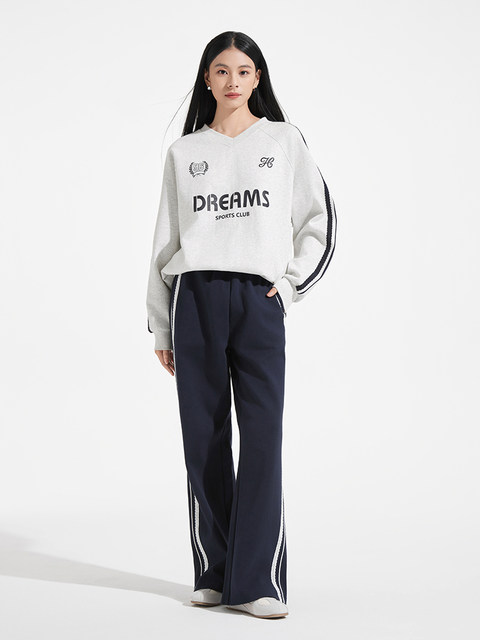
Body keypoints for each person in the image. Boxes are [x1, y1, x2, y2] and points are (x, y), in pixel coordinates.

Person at [146, 30, 337, 619]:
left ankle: (257, 581)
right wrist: (161, 325)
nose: (233, 80)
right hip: (195, 299)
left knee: (261, 437)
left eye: (244, 71)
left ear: (258, 79)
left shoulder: (283, 141)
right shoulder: (185, 153)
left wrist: (291, 283)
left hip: (258, 299)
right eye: (222, 70)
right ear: (207, 79)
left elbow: (318, 219)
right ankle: (215, 569)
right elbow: (164, 243)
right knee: (202, 437)